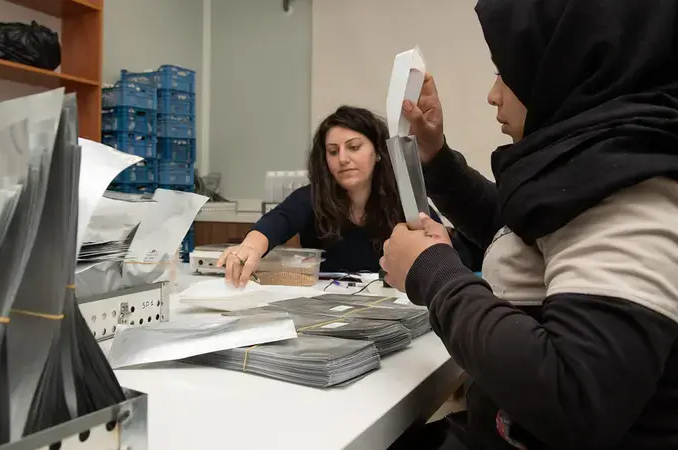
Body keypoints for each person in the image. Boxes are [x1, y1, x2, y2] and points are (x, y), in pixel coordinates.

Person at [382, 1, 678, 449]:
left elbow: (577, 397)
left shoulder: (633, 189)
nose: (493, 94)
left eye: (505, 72)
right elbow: (520, 228)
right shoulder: (599, 166)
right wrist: (435, 157)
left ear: (567, 66)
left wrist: (434, 274)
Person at [217, 106, 449, 287]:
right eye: (333, 151)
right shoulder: (312, 197)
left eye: (354, 147)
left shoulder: (403, 200)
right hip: (325, 308)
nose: (343, 159)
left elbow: (443, 248)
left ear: (378, 152)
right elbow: (279, 220)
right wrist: (250, 247)